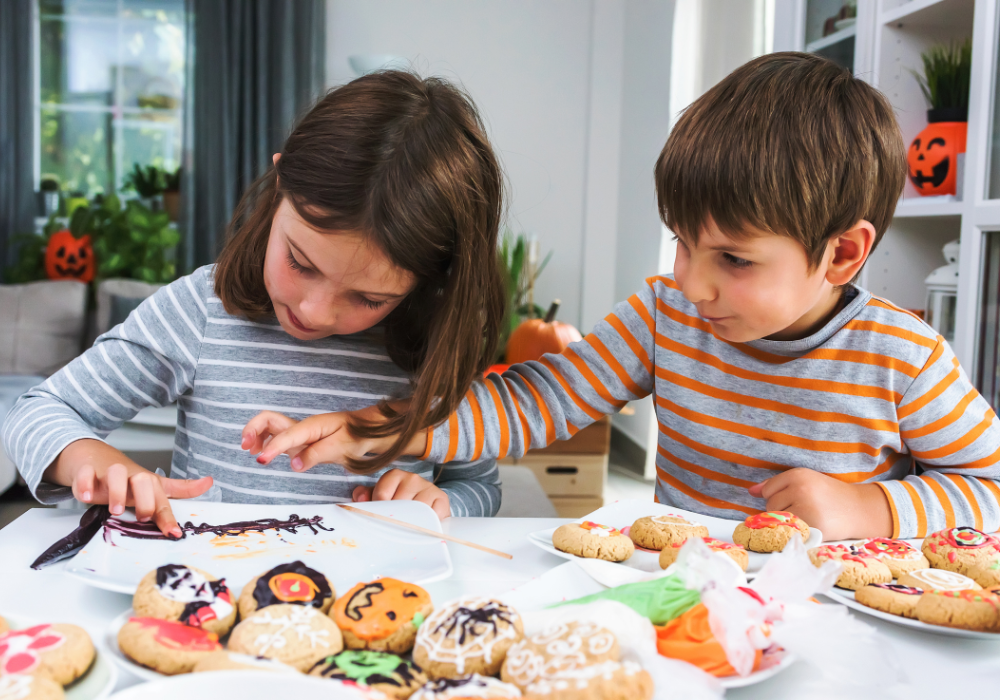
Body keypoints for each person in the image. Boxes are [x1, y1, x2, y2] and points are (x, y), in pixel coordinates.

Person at [246, 53, 1000, 541]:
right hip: (689, 593)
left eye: (733, 258)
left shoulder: (902, 357)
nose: (689, 280)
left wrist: (873, 509)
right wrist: (373, 430)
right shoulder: (666, 313)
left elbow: (990, 489)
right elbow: (530, 403)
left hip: (842, 614)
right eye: (680, 240)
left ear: (842, 254)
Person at [2, 70, 507, 537]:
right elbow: (37, 412)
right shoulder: (201, 310)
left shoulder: (436, 347)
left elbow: (479, 486)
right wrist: (103, 463)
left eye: (370, 298)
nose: (313, 311)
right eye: (301, 262)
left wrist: (440, 502)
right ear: (279, 182)